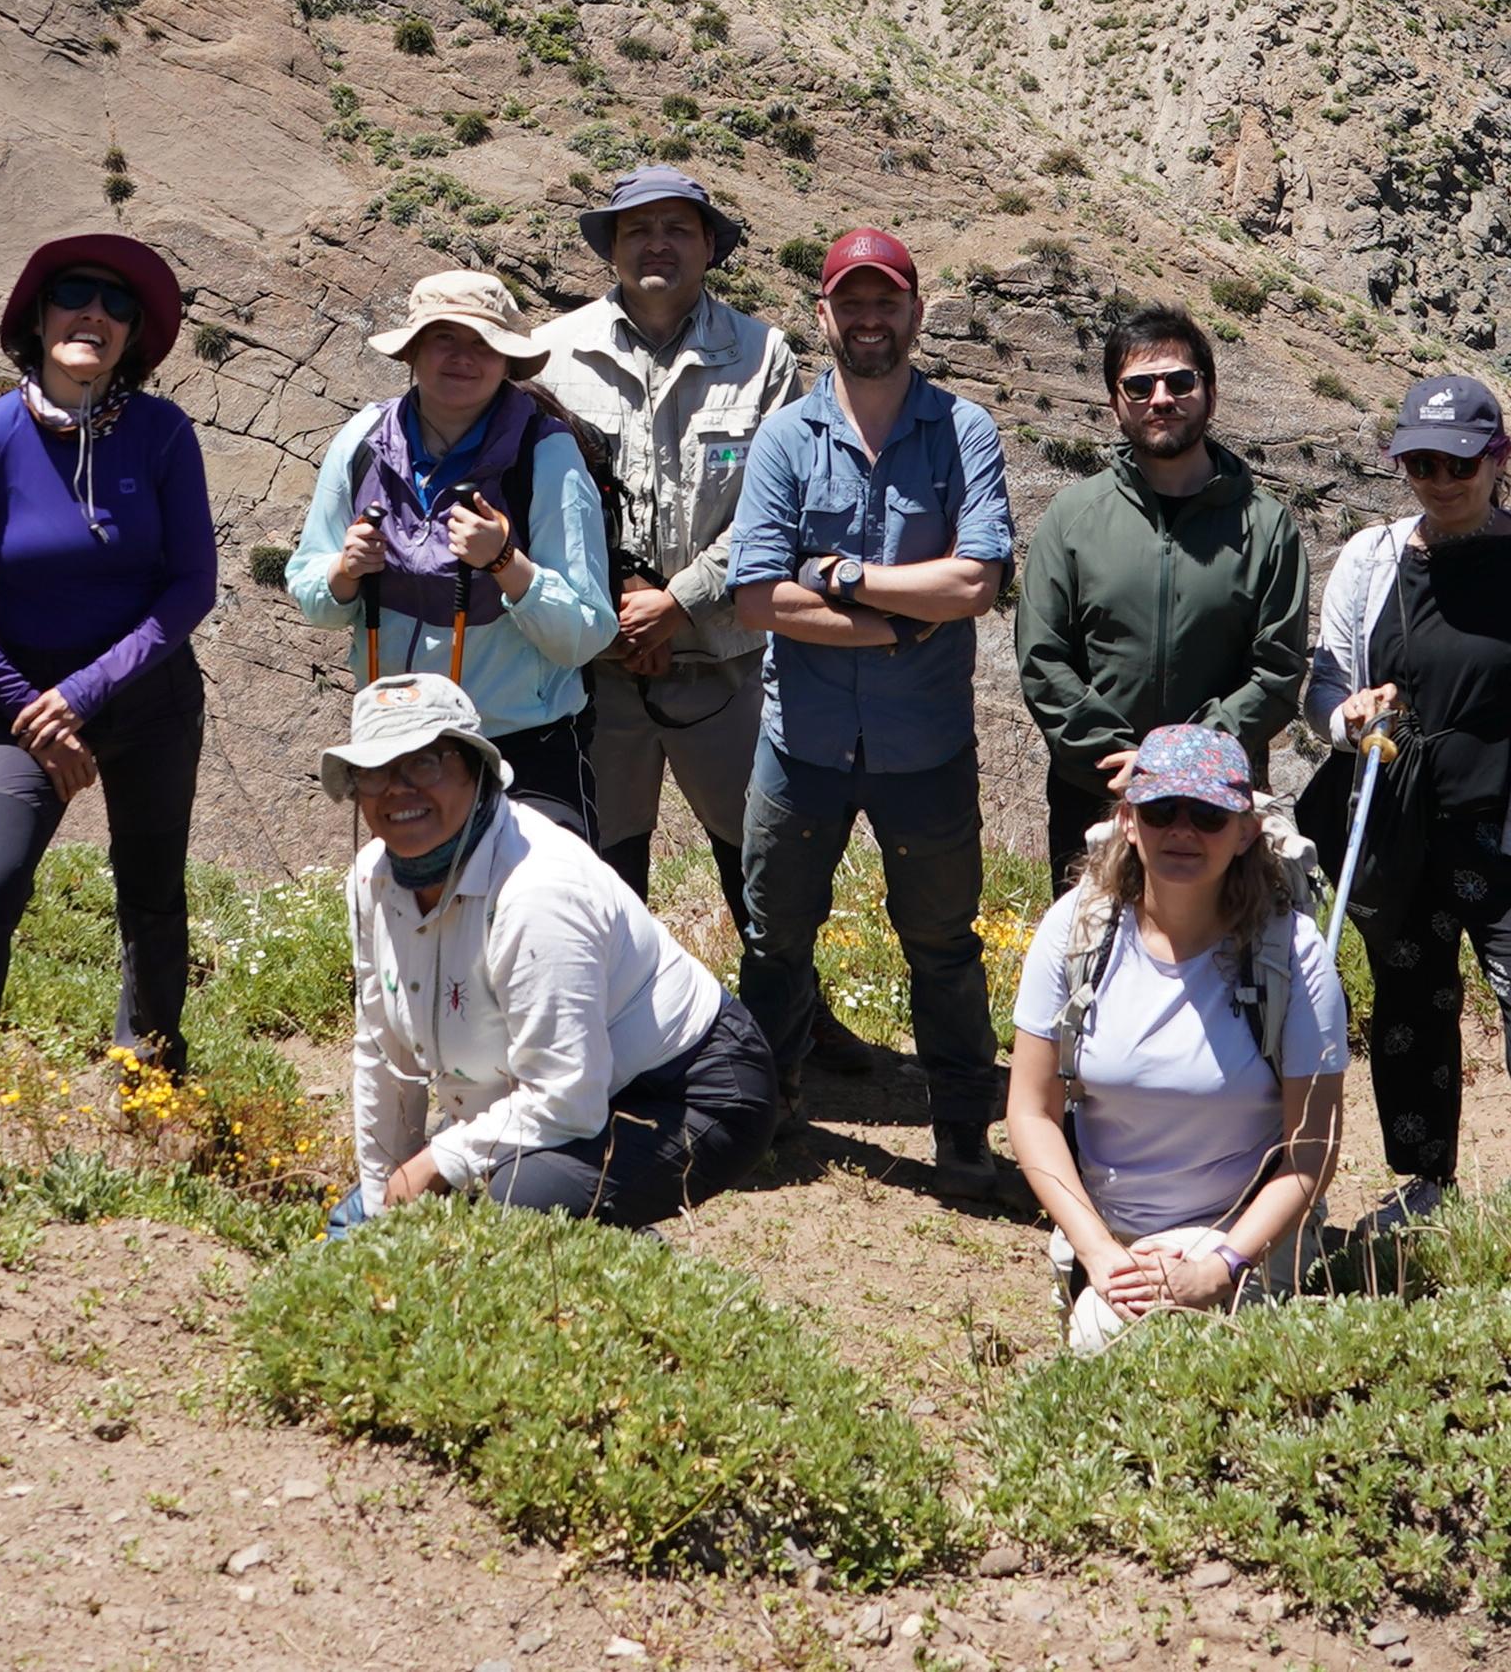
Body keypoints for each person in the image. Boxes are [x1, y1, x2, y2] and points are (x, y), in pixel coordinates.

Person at [0, 231, 218, 1192]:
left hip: (148, 695)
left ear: (134, 337)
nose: (92, 314)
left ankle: (150, 1094)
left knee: (152, 894)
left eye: (115, 305)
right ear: (36, 320)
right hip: (25, 697)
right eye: (73, 296)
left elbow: (189, 588)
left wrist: (80, 698)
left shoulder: (164, 436)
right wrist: (30, 710)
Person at [722, 226, 1018, 1189]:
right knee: (773, 941)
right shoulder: (784, 437)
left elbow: (974, 583)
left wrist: (846, 577)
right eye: (850, 302)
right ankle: (760, 1114)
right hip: (799, 743)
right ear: (824, 316)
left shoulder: (961, 429)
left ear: (914, 311)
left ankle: (963, 1131)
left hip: (923, 747)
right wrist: (896, 622)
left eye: (884, 299)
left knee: (942, 942)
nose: (868, 318)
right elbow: (759, 598)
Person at [1306, 375, 1511, 1204]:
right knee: (1410, 1010)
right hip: (1401, 832)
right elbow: (1322, 689)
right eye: (1420, 463)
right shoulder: (1369, 559)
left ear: (1498, 458)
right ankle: (1423, 1184)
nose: (1439, 480)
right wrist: (1346, 715)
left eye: (1459, 462)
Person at [330, 675, 778, 1227]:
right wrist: (384, 1195)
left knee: (516, 1202)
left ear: (477, 770)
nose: (398, 789)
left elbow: (567, 1098)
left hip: (689, 1087)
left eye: (425, 763)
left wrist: (434, 1164)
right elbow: (382, 1053)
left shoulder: (538, 889)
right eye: (375, 770)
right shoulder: (371, 882)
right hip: (561, 1088)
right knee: (366, 1218)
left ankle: (627, 1274)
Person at [1005, 726, 1349, 1354]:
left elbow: (1312, 1150)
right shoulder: (1076, 929)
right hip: (1108, 1236)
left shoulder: (1292, 953)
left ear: (1245, 830)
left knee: (1126, 1349)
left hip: (1241, 1235)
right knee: (1109, 1345)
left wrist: (1219, 1265)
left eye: (1209, 815)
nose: (1182, 831)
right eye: (1162, 811)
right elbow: (1030, 1112)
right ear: (1130, 821)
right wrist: (1098, 1248)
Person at [531, 167, 810, 909]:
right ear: (611, 248)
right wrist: (624, 599)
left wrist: (677, 603)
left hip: (724, 664)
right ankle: (620, 1022)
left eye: (677, 229)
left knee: (758, 858)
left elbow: (776, 509)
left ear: (709, 247)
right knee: (600, 867)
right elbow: (544, 503)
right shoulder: (549, 355)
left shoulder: (764, 357)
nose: (657, 244)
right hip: (598, 666)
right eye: (637, 230)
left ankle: (786, 1023)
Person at [288, 271, 612, 829]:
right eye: (444, 338)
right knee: (421, 909)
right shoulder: (362, 441)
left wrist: (506, 563)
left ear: (507, 360)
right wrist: (344, 571)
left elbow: (585, 633)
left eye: (483, 343)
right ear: (413, 349)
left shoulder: (547, 453)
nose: (463, 357)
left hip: (519, 745)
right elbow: (313, 597)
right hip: (398, 740)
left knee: (528, 912)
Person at [1016, 303, 1311, 886]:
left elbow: (1277, 672)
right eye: (1139, 385)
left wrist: (1179, 765)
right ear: (1114, 402)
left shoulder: (1267, 527)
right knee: (1093, 963)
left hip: (1217, 802)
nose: (1161, 398)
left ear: (1210, 392)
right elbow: (1043, 659)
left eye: (1180, 381)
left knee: (1223, 966)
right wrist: (1120, 761)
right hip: (1097, 791)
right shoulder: (1073, 518)